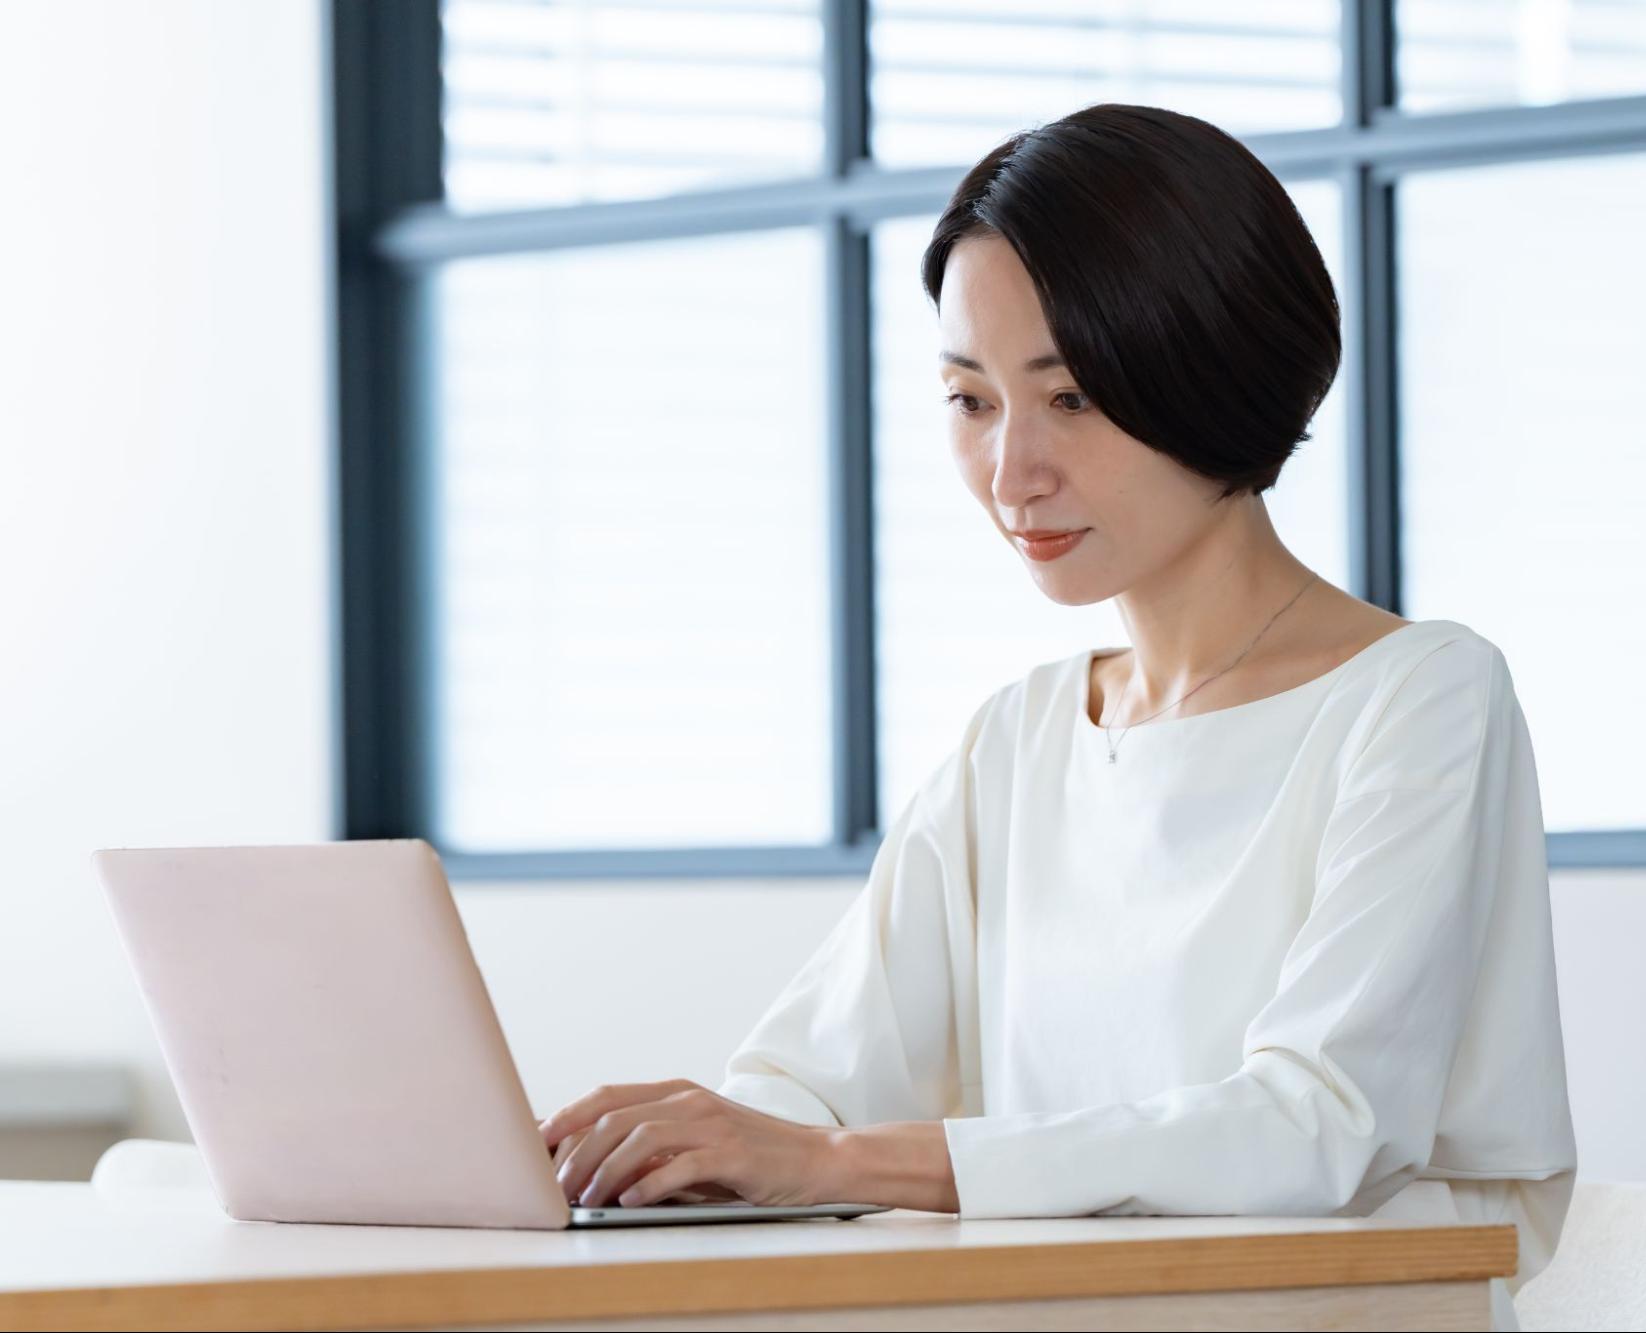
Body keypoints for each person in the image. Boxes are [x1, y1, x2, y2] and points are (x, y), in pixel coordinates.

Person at [537, 102, 1576, 1330]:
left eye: (1070, 397)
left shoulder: (1419, 697)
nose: (1011, 470)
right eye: (969, 400)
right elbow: (807, 1080)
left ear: (1210, 374)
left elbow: (1318, 1125)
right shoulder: (1022, 736)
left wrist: (840, 1164)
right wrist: (670, 1154)